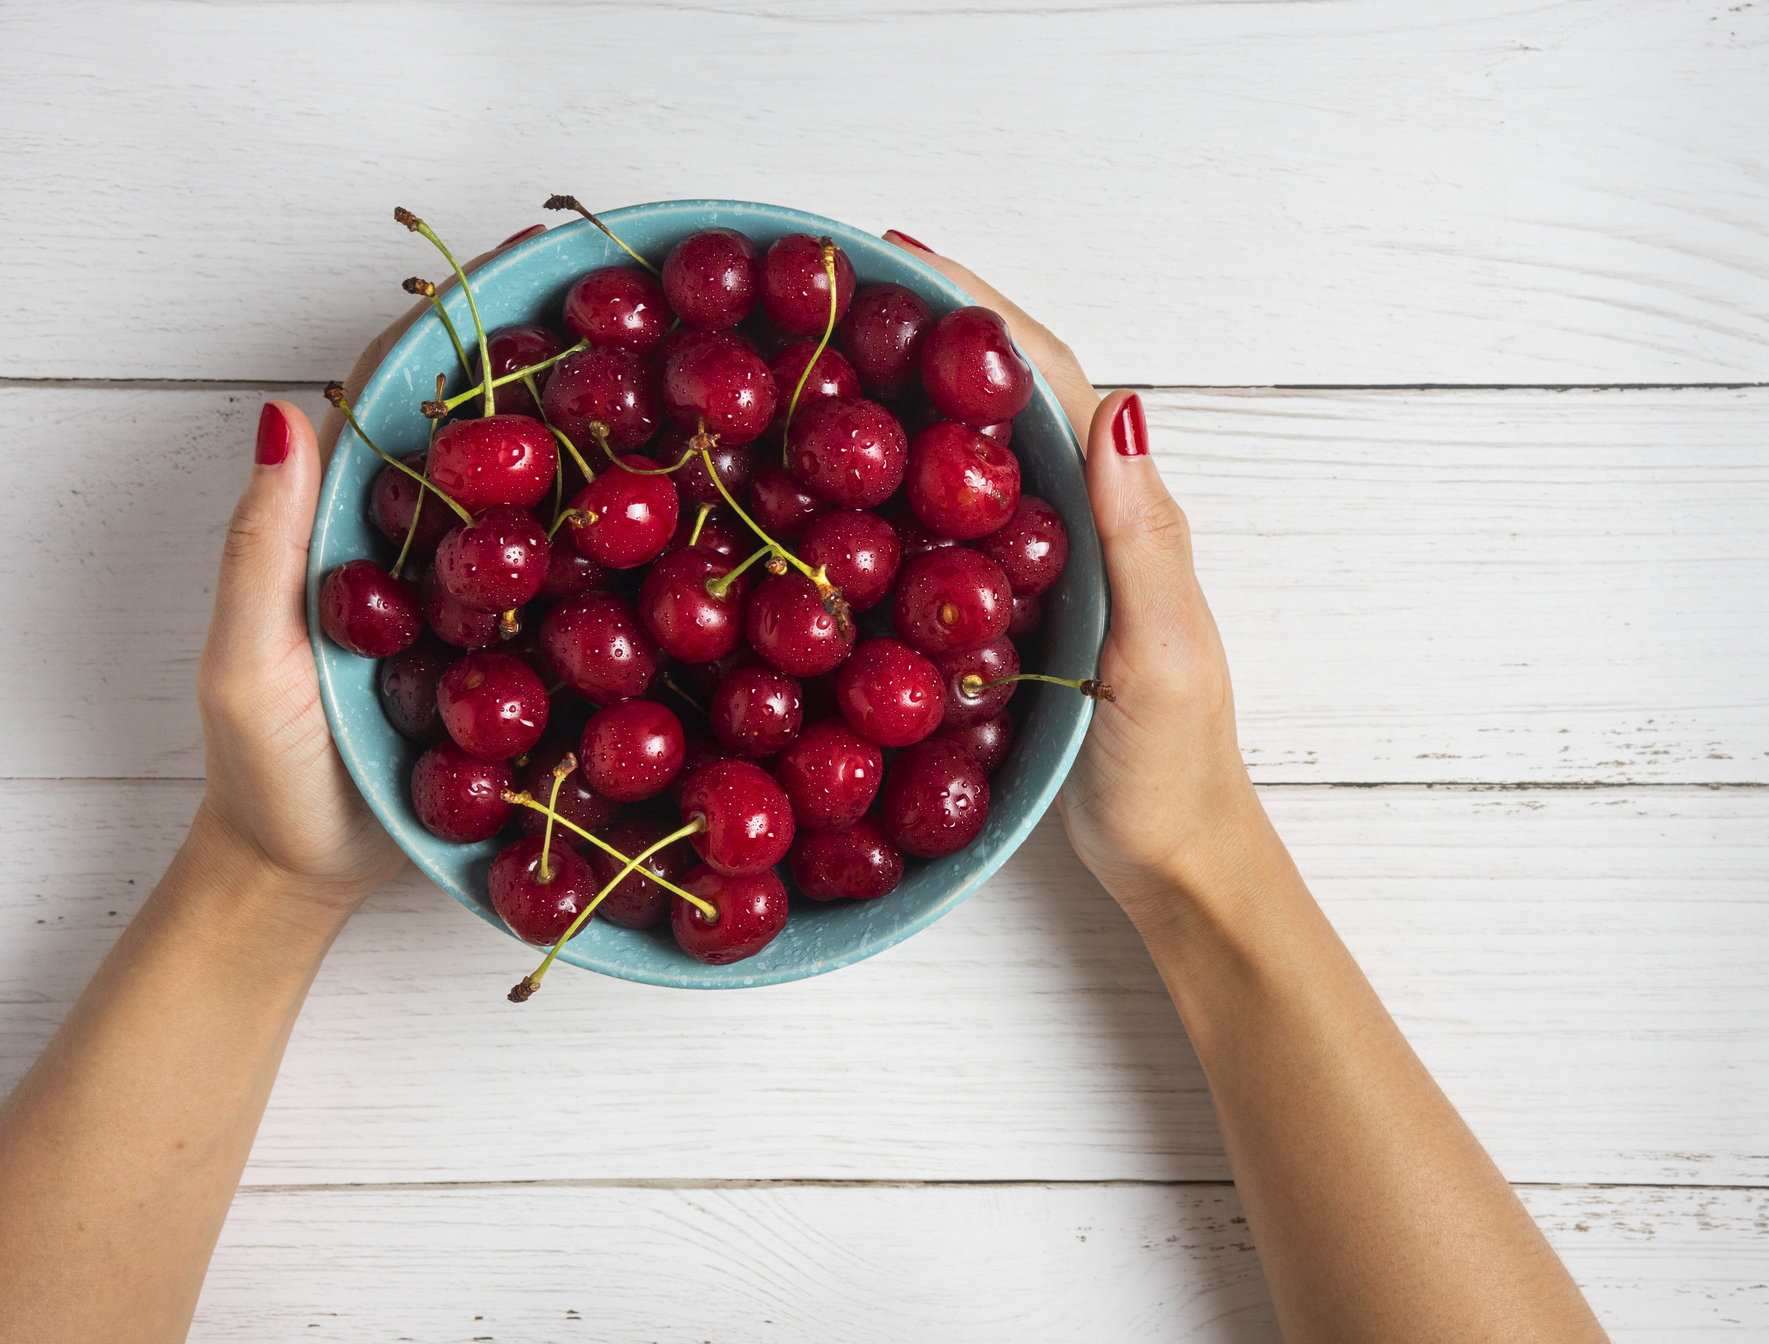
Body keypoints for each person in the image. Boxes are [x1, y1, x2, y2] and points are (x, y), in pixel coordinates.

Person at [0, 225, 1609, 1344]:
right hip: (677, 720)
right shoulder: (632, 550)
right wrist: (1198, 859)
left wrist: (261, 880)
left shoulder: (883, 599)